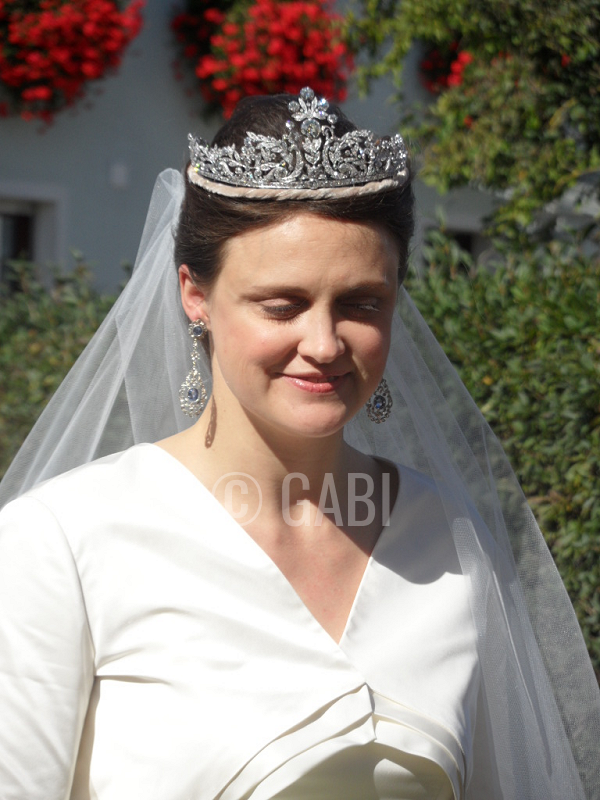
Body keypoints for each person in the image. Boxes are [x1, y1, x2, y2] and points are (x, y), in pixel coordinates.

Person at [0, 88, 598, 800]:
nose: (323, 344)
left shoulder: (449, 540)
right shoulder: (62, 542)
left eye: (361, 303)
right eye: (281, 305)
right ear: (195, 295)